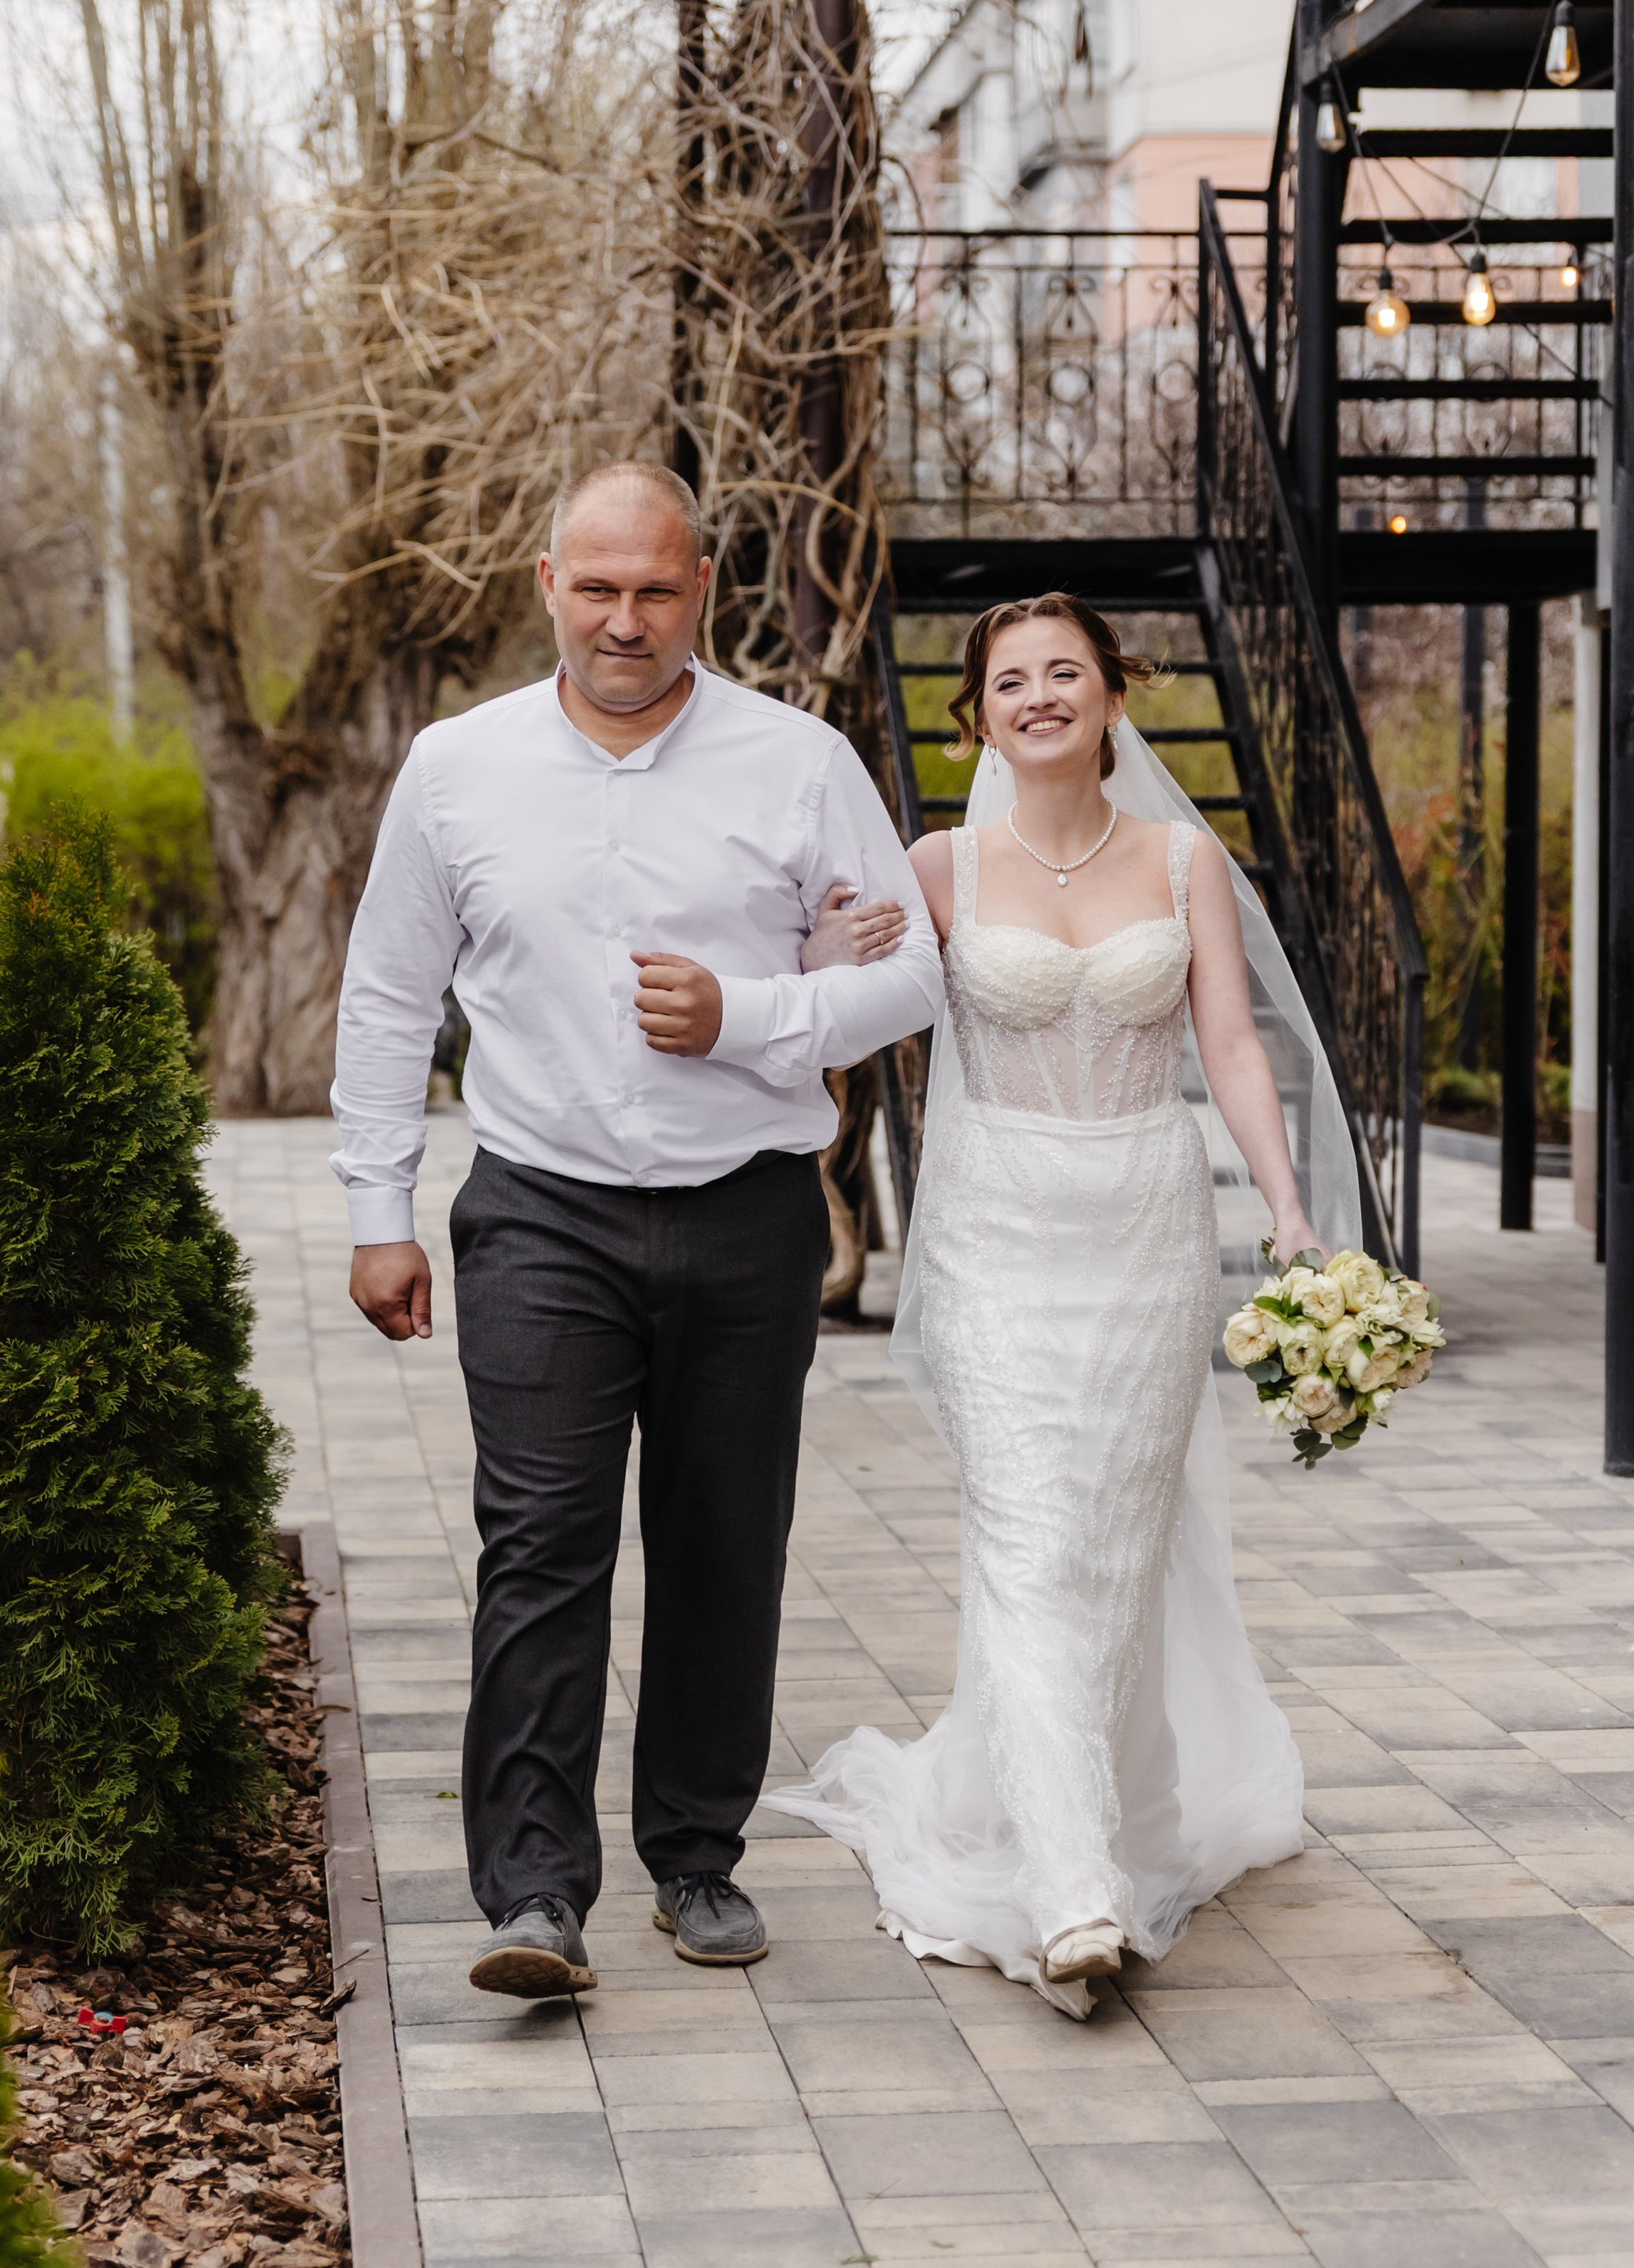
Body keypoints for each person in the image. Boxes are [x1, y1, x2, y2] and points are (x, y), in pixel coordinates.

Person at [330, 459, 943, 1999]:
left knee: (723, 1543)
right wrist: (373, 1210)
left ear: (701, 593)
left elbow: (912, 971)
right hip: (538, 1209)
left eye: (653, 589)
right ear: (546, 584)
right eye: (594, 586)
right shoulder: (455, 767)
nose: (622, 617)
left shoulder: (798, 764)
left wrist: (748, 1012)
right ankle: (533, 1891)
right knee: (538, 1545)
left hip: (744, 1216)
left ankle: (695, 1853)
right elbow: (391, 992)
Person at [769, 592, 1359, 2017]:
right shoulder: (937, 866)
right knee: (1030, 1538)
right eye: (1009, 678)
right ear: (975, 710)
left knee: (1109, 1540)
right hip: (993, 1236)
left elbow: (1225, 1036)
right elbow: (845, 1015)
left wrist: (1283, 1206)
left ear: (1110, 695)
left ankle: (1060, 1809)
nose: (1037, 694)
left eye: (1064, 672)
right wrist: (816, 970)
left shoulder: (1179, 861)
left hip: (1143, 1230)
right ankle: (1070, 1891)